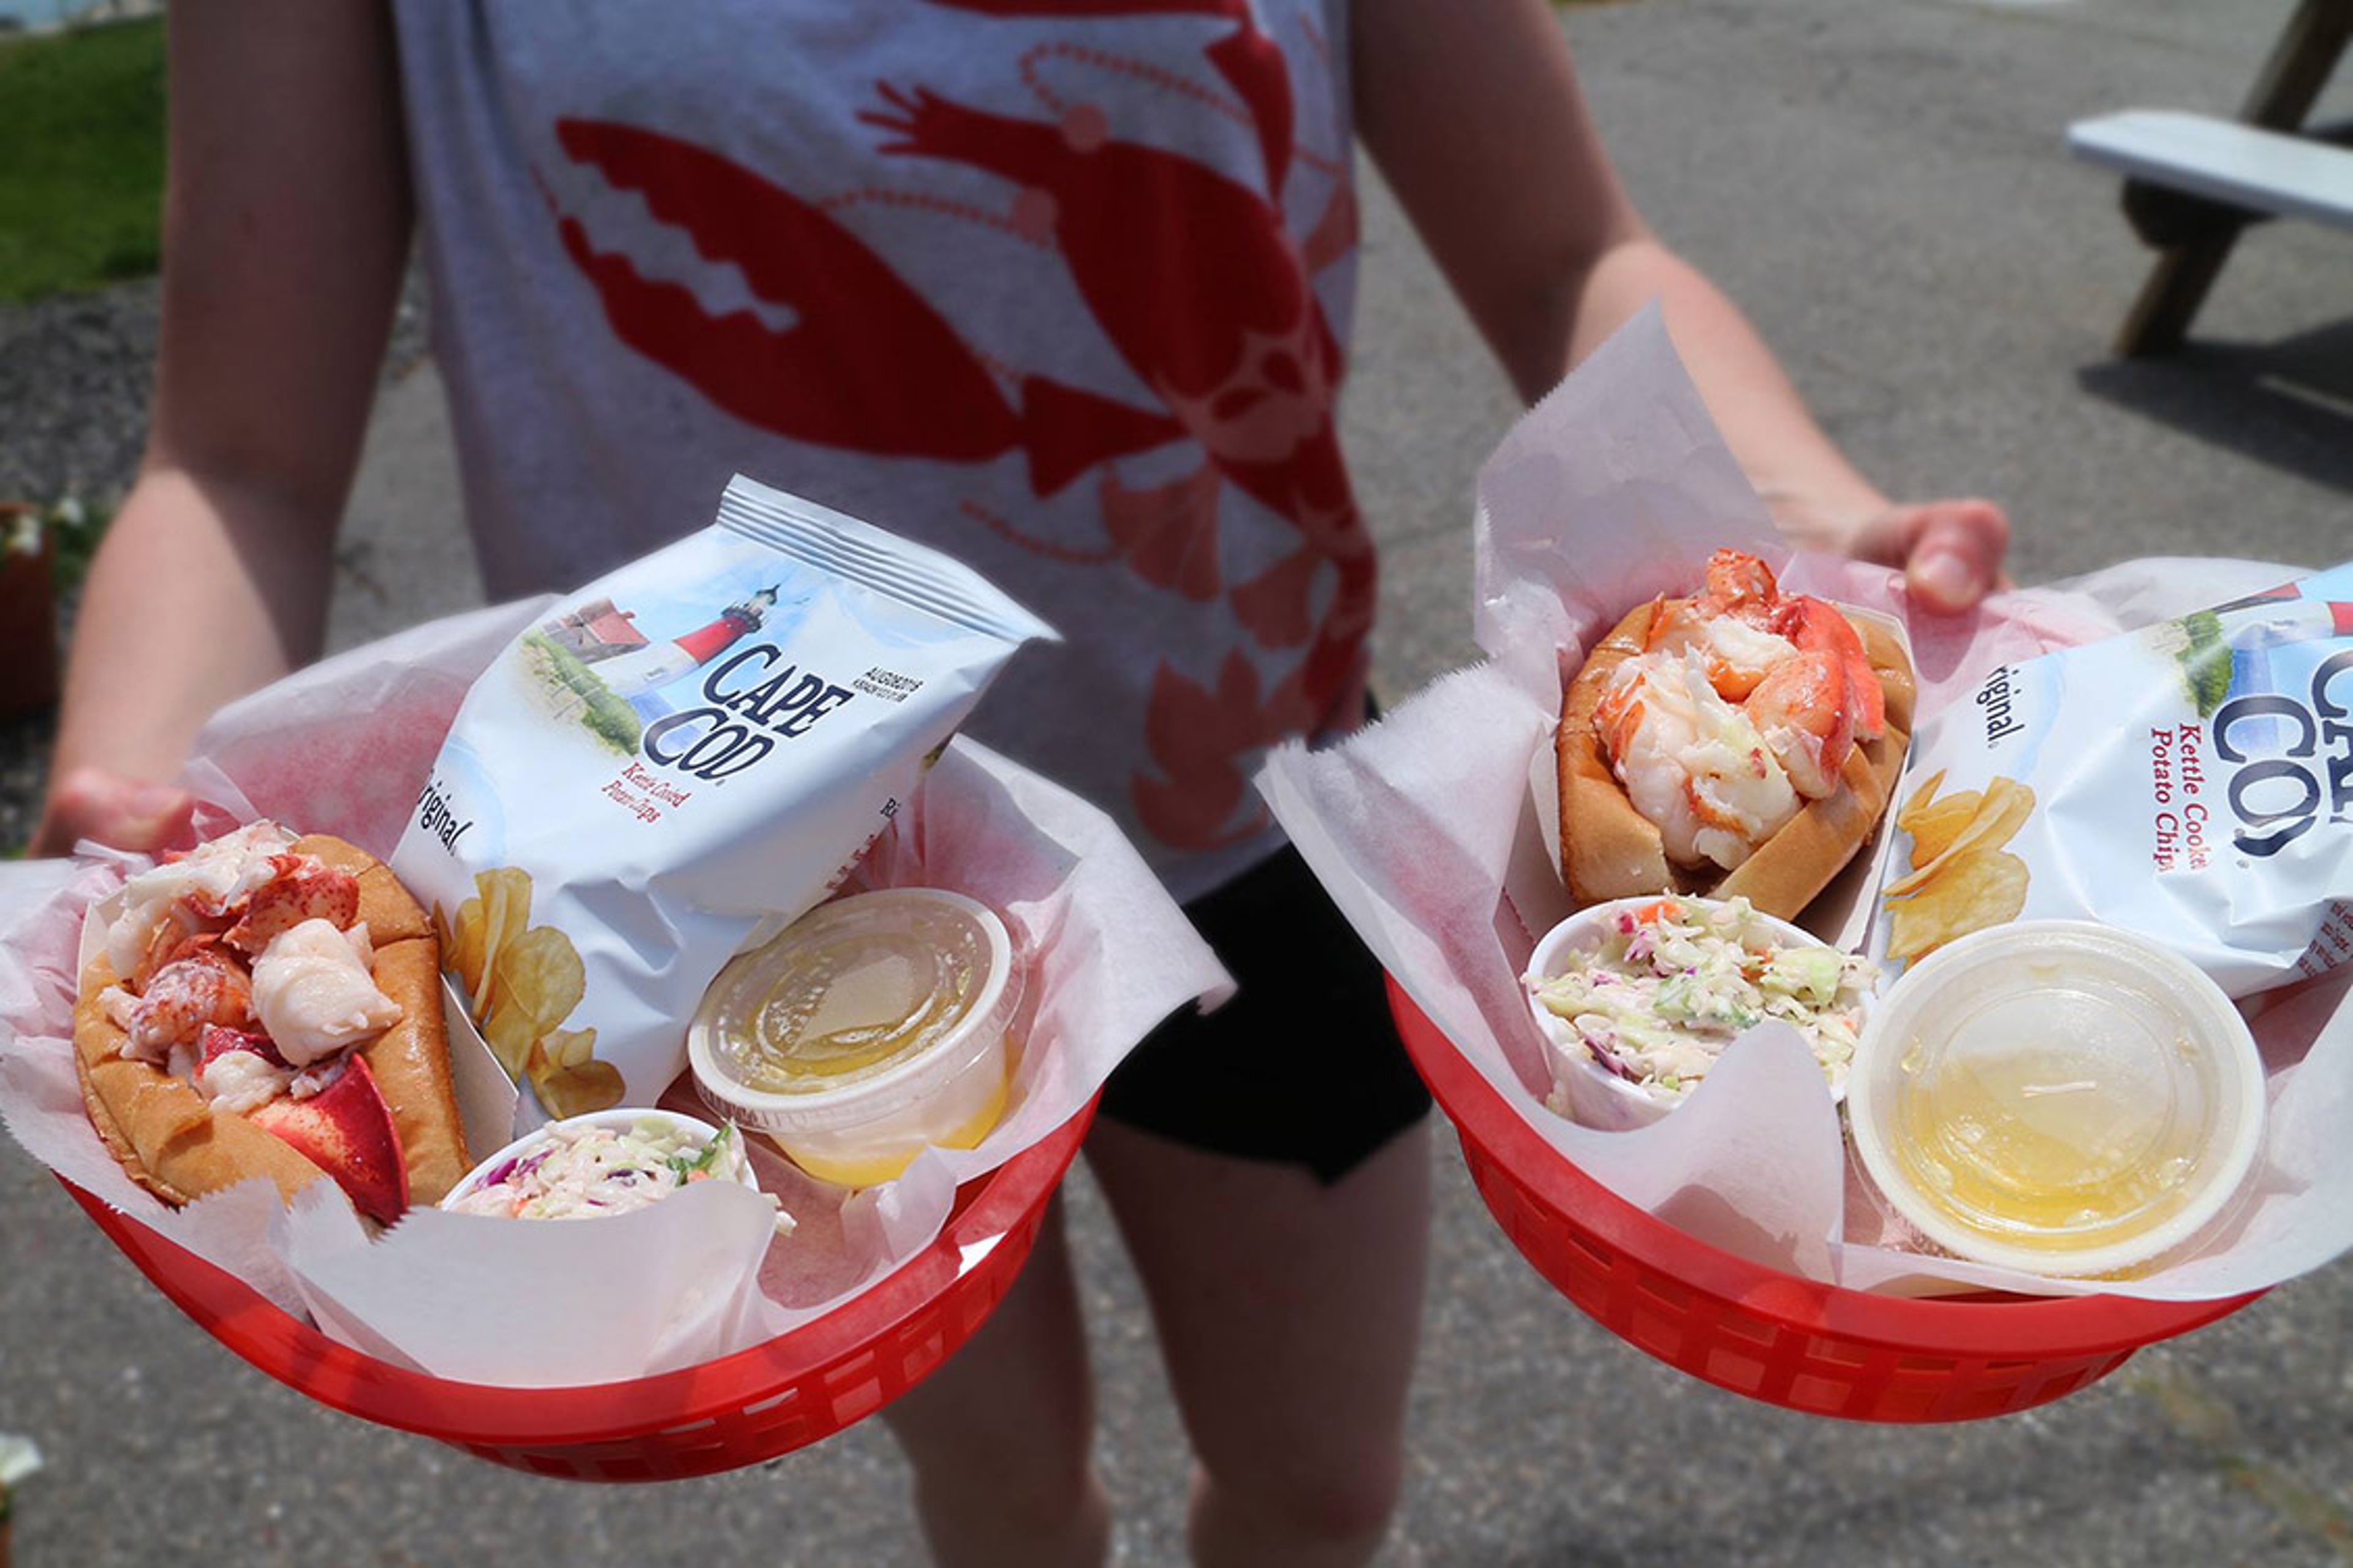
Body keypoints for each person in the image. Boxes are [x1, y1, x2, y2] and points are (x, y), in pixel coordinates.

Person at [36, 2, 2009, 1565]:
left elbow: (1575, 248)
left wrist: (1822, 525)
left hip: (1256, 825)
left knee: (1320, 1493)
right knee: (1002, 1508)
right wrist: (134, 793)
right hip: (706, 959)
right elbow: (243, 455)